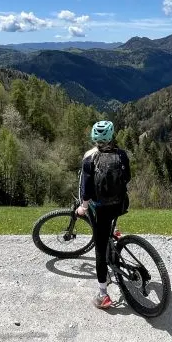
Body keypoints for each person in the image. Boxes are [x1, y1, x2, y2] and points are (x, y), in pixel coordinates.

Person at [75, 120, 131, 309]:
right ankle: (112, 234)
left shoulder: (89, 158)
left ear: (94, 137)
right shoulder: (122, 154)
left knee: (99, 250)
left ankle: (103, 294)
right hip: (121, 205)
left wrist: (83, 207)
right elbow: (128, 178)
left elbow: (87, 189)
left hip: (101, 209)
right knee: (108, 224)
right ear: (112, 135)